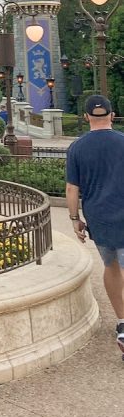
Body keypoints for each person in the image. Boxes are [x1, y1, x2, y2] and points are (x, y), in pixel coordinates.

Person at [66, 95, 124, 355]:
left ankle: (122, 323)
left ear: (87, 117)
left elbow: (71, 188)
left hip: (98, 218)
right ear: (112, 116)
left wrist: (74, 219)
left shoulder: (77, 148)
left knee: (111, 266)